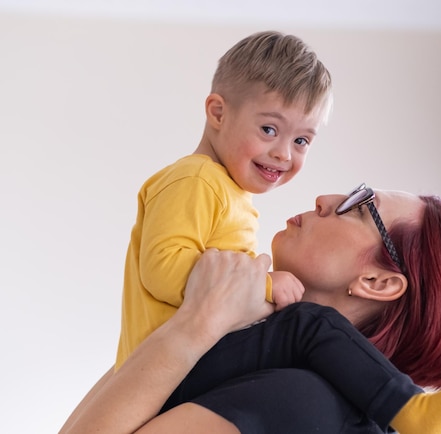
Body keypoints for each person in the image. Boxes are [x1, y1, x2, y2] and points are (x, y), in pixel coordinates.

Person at [61, 185, 441, 434]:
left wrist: (194, 326)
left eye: (360, 207)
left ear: (378, 282)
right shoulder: (263, 364)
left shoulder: (302, 402)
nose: (325, 198)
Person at [115, 30, 333, 370]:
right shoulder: (196, 180)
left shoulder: (228, 191)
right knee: (312, 331)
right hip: (168, 373)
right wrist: (262, 285)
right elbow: (163, 269)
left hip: (189, 367)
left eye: (302, 140)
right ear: (218, 113)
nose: (283, 153)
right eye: (269, 130)